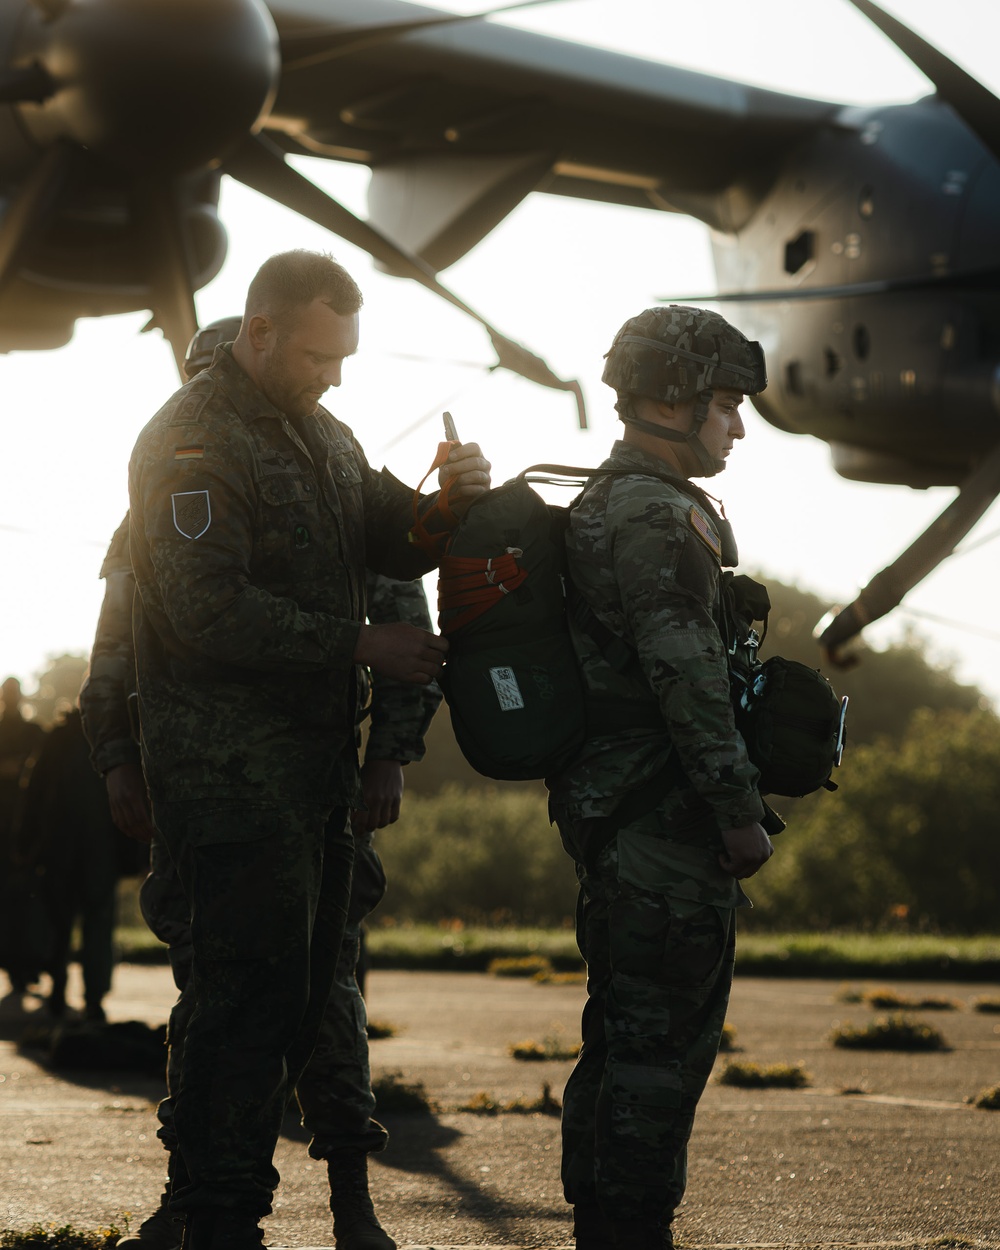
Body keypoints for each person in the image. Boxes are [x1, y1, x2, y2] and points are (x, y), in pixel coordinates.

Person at [127, 250, 489, 1250]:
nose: (335, 374)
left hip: (312, 780)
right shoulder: (193, 440)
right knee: (241, 998)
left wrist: (450, 505)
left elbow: (391, 533)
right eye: (320, 353)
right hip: (230, 778)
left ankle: (225, 1206)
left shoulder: (324, 435)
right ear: (260, 332)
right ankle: (216, 1214)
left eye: (345, 357)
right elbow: (203, 606)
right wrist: (358, 642)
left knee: (302, 993)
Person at [546, 306, 776, 1250]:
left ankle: (602, 1222)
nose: (737, 426)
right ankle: (631, 1232)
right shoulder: (653, 512)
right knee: (658, 1046)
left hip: (621, 812)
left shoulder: (614, 501)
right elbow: (686, 672)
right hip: (661, 823)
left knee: (623, 1032)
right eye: (725, 404)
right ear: (673, 402)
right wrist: (737, 811)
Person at [0, 675, 46, 996]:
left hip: (25, 833)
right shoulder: (31, 734)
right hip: (8, 832)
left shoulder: (34, 734)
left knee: (26, 902)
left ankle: (25, 964)